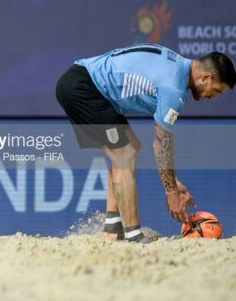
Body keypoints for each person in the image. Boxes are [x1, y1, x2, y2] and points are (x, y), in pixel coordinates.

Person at [56, 44, 235, 243]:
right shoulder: (174, 88)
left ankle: (113, 228)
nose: (214, 97)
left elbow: (164, 143)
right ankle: (133, 235)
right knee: (124, 154)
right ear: (206, 77)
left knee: (130, 148)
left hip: (84, 81)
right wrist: (171, 193)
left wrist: (173, 182)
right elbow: (161, 144)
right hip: (84, 88)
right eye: (217, 90)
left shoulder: (176, 64)